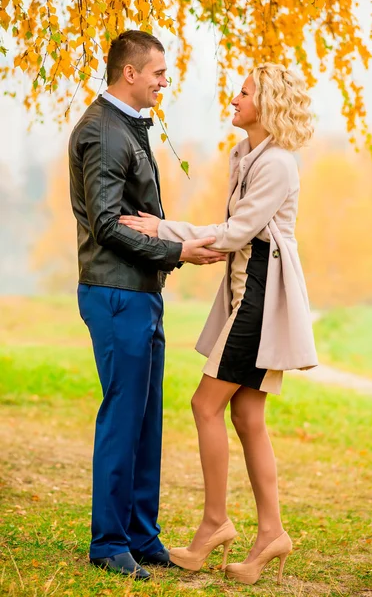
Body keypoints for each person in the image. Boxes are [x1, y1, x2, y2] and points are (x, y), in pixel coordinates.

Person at [119, 62, 318, 585]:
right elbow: (235, 231)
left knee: (205, 404)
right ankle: (271, 531)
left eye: (245, 92)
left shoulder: (277, 163)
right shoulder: (246, 155)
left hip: (258, 297)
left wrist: (164, 228)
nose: (235, 97)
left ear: (267, 104)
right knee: (247, 417)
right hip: (242, 293)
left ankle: (214, 524)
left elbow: (236, 233)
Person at [68, 30, 225, 579]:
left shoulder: (126, 128)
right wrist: (176, 249)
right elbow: (108, 226)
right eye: (158, 72)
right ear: (129, 73)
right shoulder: (105, 133)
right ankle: (109, 543)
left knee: (145, 419)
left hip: (140, 291)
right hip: (116, 293)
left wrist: (167, 252)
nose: (164, 81)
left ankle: (140, 533)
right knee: (122, 416)